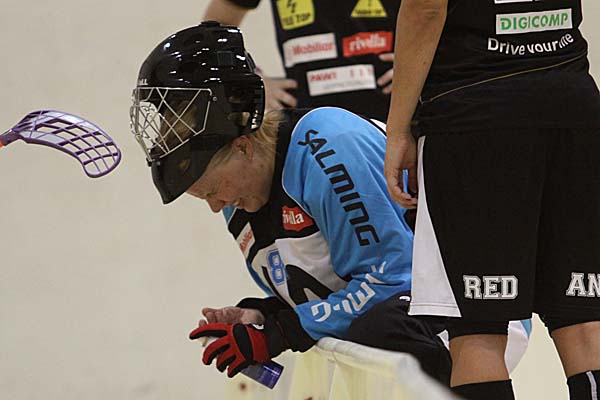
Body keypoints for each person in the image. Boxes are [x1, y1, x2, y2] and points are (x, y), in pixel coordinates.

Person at [129, 21, 529, 387]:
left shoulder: (325, 144)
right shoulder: (239, 197)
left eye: (211, 190)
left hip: (475, 305)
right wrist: (263, 316)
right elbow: (335, 293)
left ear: (243, 147)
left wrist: (281, 333)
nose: (216, 207)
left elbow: (391, 279)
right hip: (411, 311)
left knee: (376, 334)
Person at [384, 1, 600, 399]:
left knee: (477, 331)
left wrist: (397, 129)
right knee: (584, 321)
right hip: (574, 106)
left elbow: (425, 8)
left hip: (475, 116)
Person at [202, 0, 398, 121]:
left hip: (393, 113)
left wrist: (415, 65)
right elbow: (214, 28)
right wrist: (251, 78)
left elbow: (419, 13)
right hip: (308, 118)